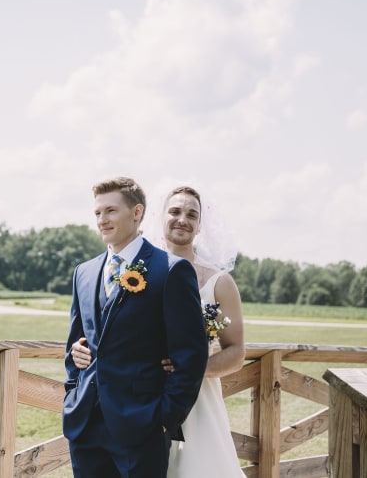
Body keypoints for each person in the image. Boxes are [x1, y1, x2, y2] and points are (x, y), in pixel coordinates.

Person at [70, 185, 247, 477]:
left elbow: (237, 351)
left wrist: (188, 370)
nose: (182, 219)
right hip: (136, 402)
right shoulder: (137, 269)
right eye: (175, 211)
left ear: (200, 225)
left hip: (191, 402)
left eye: (192, 214)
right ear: (159, 217)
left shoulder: (220, 282)